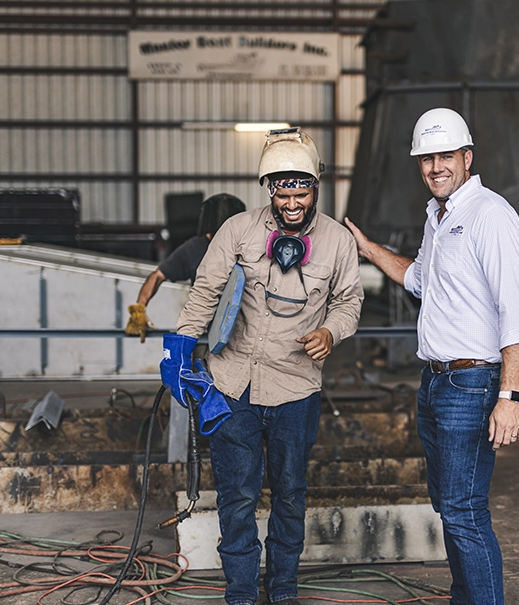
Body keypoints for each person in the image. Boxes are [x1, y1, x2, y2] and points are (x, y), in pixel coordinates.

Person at [161, 127, 363, 605]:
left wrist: (330, 332)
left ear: (316, 186)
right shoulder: (237, 230)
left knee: (291, 495)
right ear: (269, 188)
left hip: (296, 390)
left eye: (301, 188)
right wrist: (179, 348)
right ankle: (241, 595)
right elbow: (205, 292)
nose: (292, 200)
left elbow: (350, 301)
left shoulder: (337, 242)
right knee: (237, 498)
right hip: (233, 386)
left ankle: (284, 591)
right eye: (282, 189)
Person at [344, 108, 519, 605]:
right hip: (436, 383)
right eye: (426, 158)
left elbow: (516, 312)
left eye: (445, 156)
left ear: (467, 158)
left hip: (472, 384)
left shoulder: (491, 215)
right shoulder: (437, 215)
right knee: (449, 507)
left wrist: (509, 396)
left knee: (465, 510)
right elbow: (420, 280)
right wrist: (369, 249)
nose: (435, 167)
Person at [125, 193, 246, 342]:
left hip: (241, 333)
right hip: (204, 334)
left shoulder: (247, 248)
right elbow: (157, 276)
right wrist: (139, 309)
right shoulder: (193, 248)